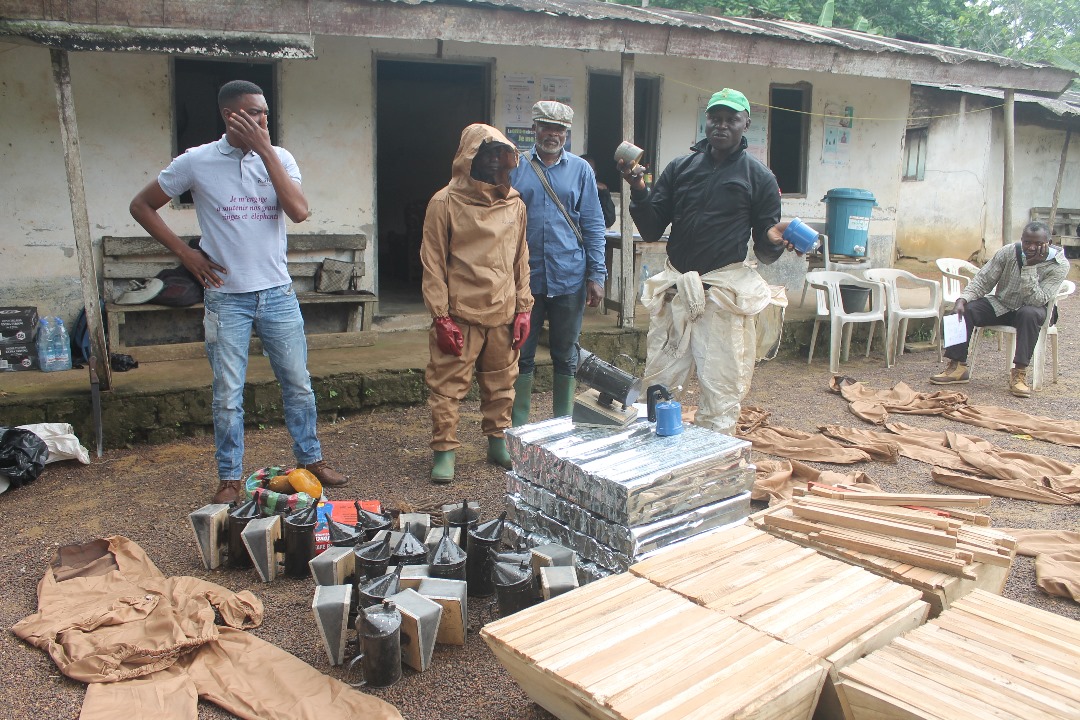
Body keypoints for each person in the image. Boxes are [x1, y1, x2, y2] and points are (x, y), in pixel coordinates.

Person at [130, 79, 347, 504]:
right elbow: (142, 205)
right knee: (228, 395)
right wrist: (186, 254)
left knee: (298, 384)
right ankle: (229, 477)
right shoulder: (197, 161)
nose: (263, 119)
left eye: (265, 112)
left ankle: (311, 461)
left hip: (278, 294)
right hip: (226, 297)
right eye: (253, 112)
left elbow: (299, 212)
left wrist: (265, 151)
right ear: (229, 116)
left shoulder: (280, 157)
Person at [620, 87, 797, 435]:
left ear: (746, 124)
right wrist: (639, 190)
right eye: (715, 118)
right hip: (676, 292)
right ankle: (655, 456)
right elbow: (652, 228)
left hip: (721, 297)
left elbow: (765, 247)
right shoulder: (680, 168)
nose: (722, 125)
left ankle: (714, 458)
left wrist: (774, 239)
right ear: (707, 121)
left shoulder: (759, 177)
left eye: (731, 119)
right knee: (658, 387)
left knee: (721, 392)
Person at [420, 124, 533, 482]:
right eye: (486, 153)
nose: (494, 161)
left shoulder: (515, 204)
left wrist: (524, 308)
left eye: (500, 153)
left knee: (502, 382)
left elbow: (521, 258)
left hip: (503, 310)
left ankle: (498, 442)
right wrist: (440, 316)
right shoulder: (444, 202)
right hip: (460, 313)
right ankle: (444, 451)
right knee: (447, 386)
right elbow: (433, 262)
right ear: (468, 157)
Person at [509, 101, 607, 425]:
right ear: (534, 128)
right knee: (521, 353)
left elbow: (593, 224)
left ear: (566, 133)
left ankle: (562, 428)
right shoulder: (515, 167)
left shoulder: (581, 170)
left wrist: (597, 275)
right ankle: (518, 430)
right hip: (524, 279)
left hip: (569, 277)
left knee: (566, 354)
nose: (552, 134)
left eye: (559, 129)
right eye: (546, 127)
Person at [930, 221, 1068, 396]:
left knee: (1028, 313)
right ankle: (957, 366)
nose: (1031, 247)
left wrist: (1030, 267)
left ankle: (1019, 374)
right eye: (1027, 242)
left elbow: (1036, 300)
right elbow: (983, 280)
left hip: (1037, 309)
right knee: (964, 310)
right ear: (1021, 240)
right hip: (1003, 304)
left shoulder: (1059, 264)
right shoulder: (1009, 252)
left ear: (1049, 242)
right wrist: (962, 299)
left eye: (1038, 243)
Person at [581, 154, 617, 229]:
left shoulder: (599, 191)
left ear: (595, 173)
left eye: (590, 171)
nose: (586, 174)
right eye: (583, 170)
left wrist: (604, 193)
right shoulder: (568, 189)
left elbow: (608, 221)